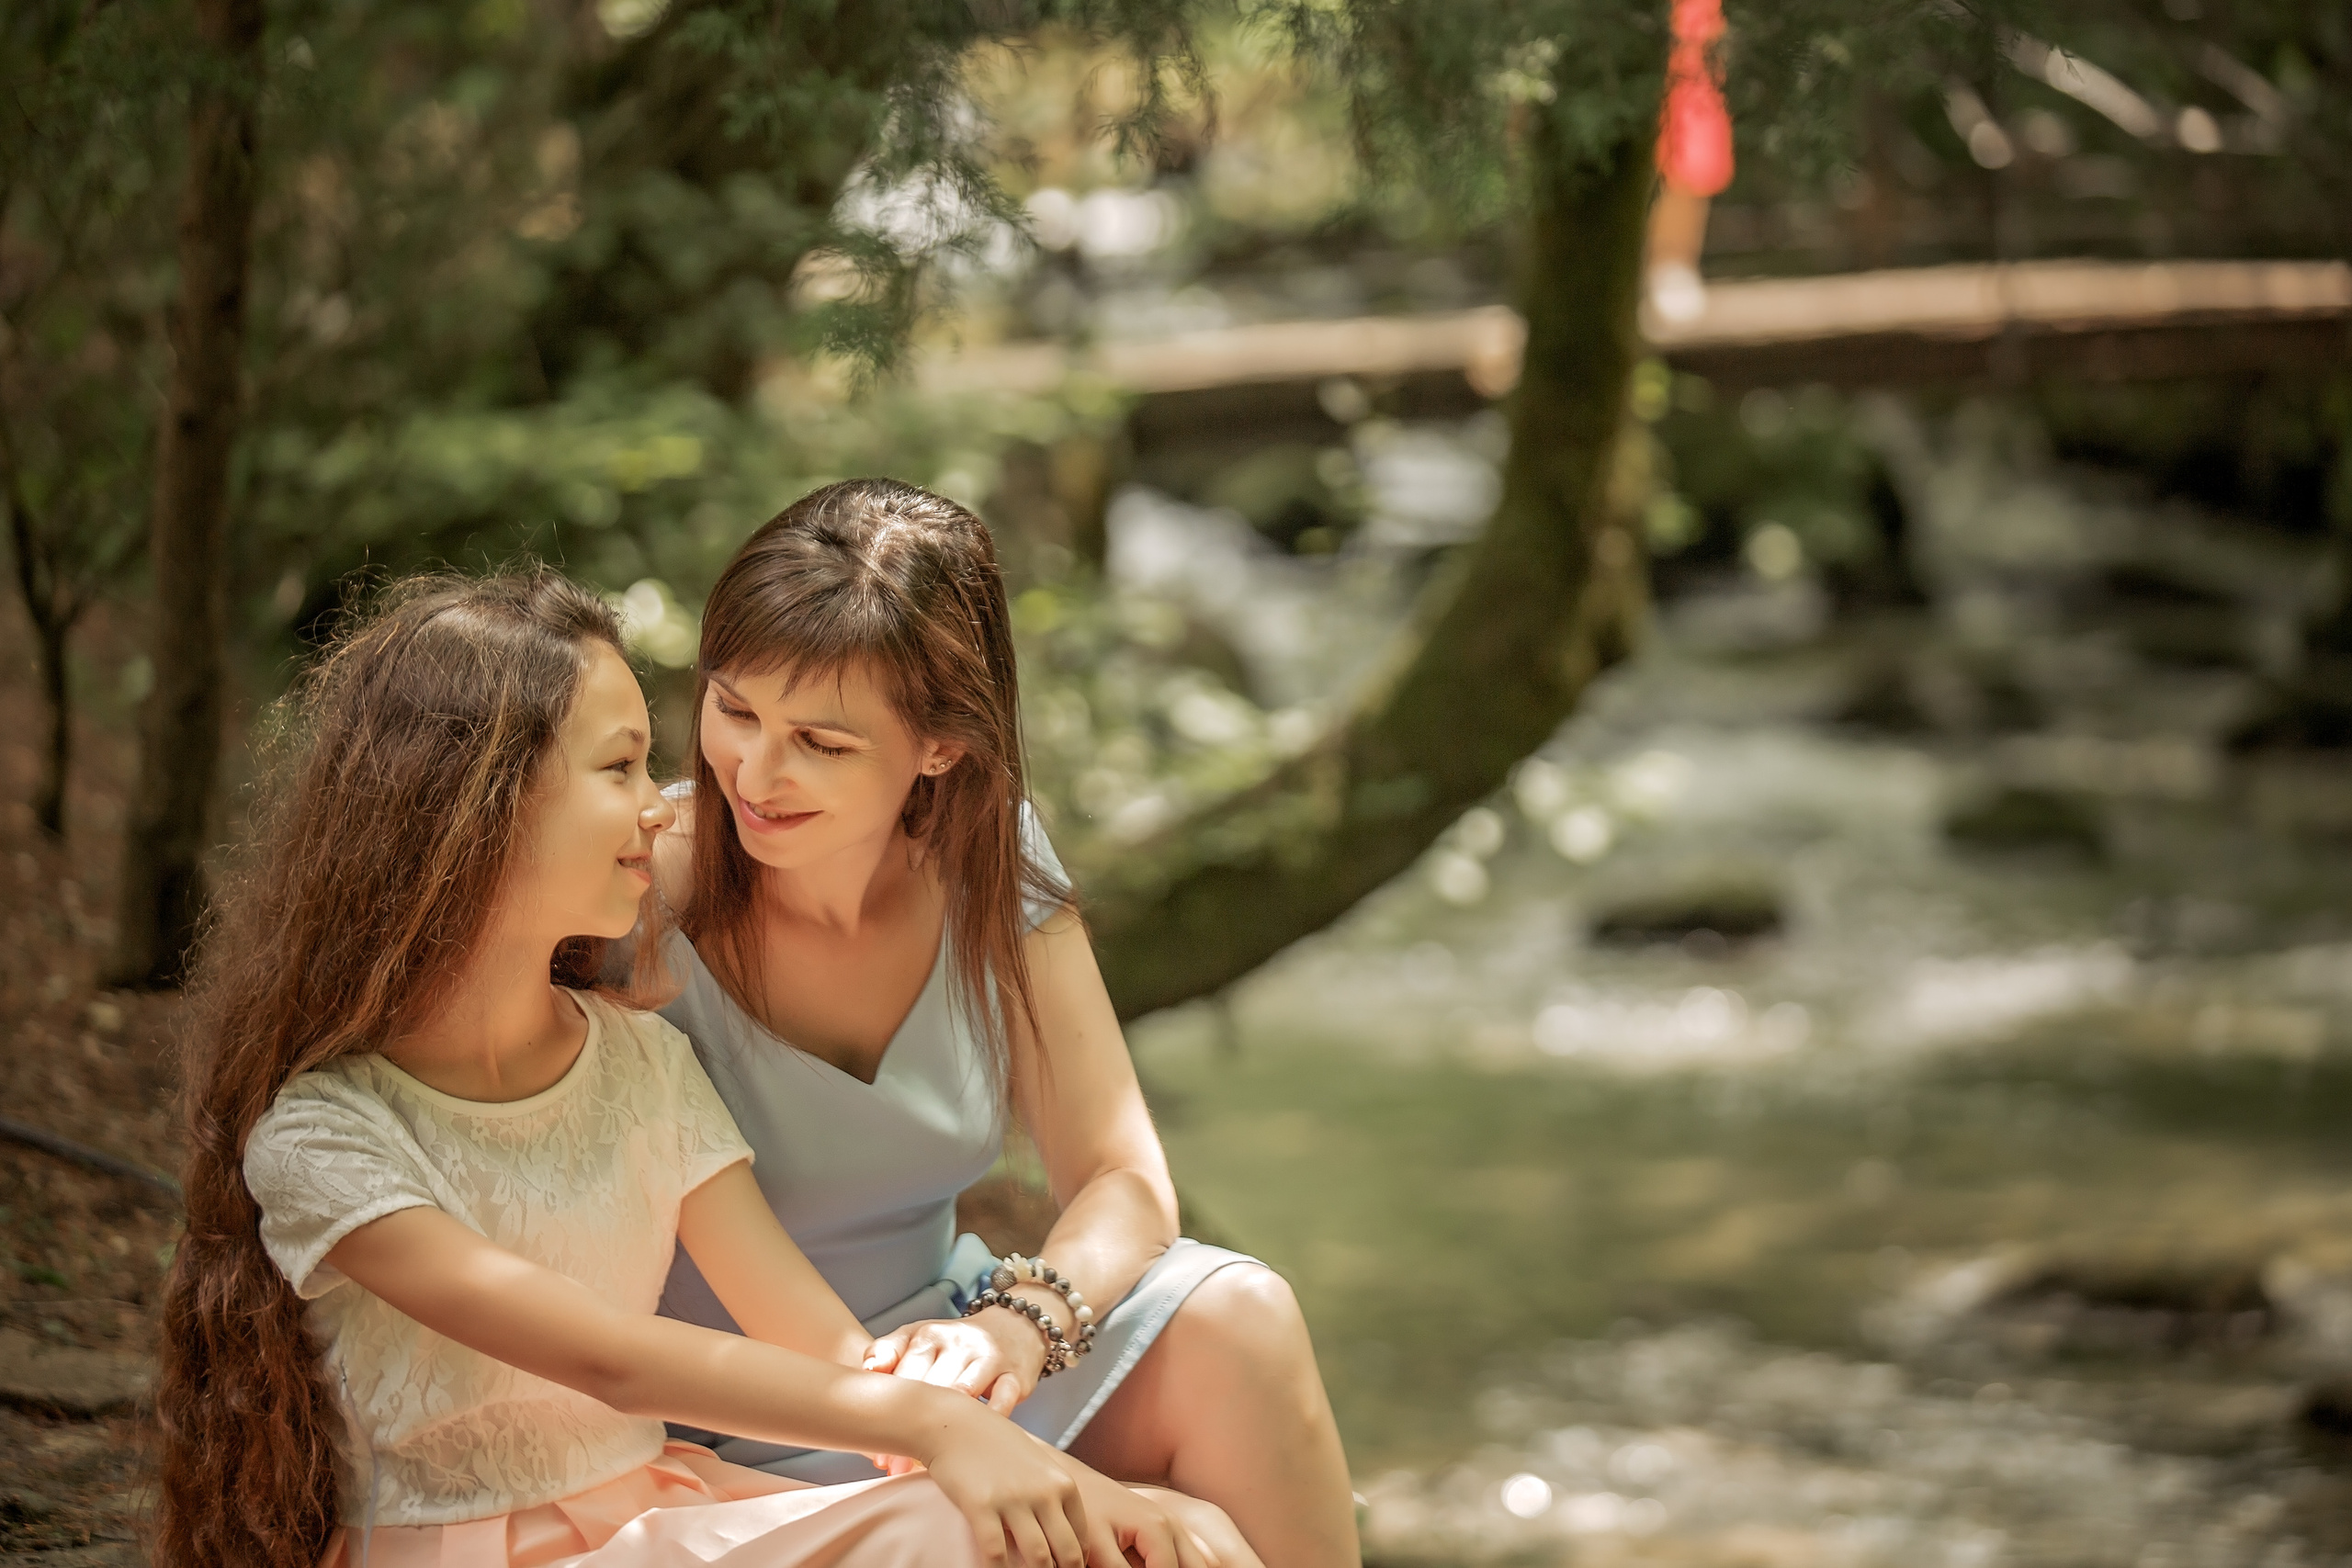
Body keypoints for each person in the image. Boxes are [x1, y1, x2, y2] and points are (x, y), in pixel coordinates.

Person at [153, 571, 1248, 1568]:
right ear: (478, 803)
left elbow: (827, 1353)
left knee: (1046, 1529)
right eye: (619, 766)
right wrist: (940, 1430)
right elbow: (613, 1360)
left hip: (668, 1513)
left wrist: (1102, 1501)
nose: (663, 804)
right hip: (471, 1553)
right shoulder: (324, 1137)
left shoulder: (640, 1062)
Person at [647, 479, 1363, 1567]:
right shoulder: (634, 883)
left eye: (821, 742)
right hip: (740, 1409)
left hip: (956, 1346)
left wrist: (1014, 1329)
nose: (755, 771)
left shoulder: (990, 861)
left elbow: (1122, 1176)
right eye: (733, 709)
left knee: (1241, 1317)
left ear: (940, 746)